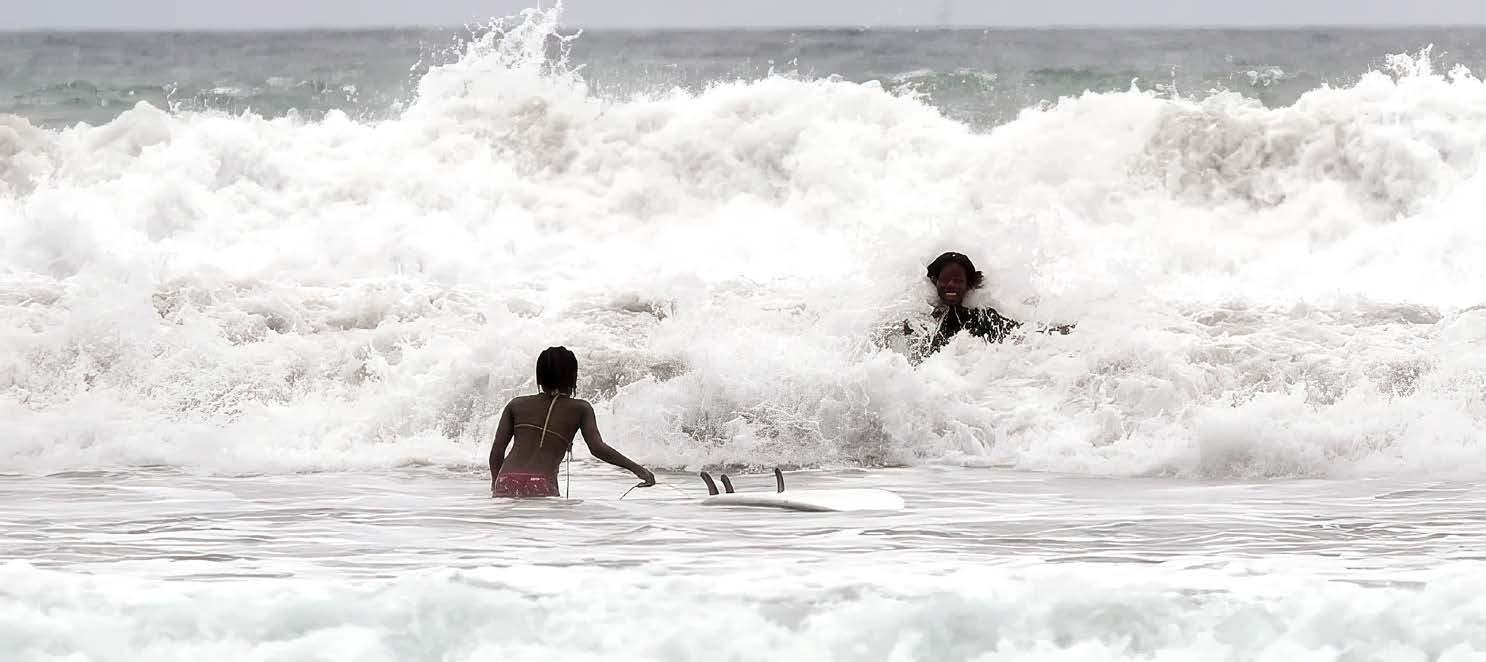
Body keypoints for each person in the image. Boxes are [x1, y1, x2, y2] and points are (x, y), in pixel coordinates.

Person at [489, 346, 655, 498]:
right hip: (540, 483)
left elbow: (497, 450)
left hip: (505, 480)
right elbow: (597, 448)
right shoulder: (580, 408)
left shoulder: (516, 404)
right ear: (572, 376)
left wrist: (496, 482)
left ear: (540, 376)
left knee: (514, 522)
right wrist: (638, 469)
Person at [906, 251, 1075, 358]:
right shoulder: (921, 320)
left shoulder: (980, 318)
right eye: (945, 280)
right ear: (935, 282)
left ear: (968, 286)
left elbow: (1021, 332)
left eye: (958, 281)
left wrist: (1066, 331)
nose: (951, 285)